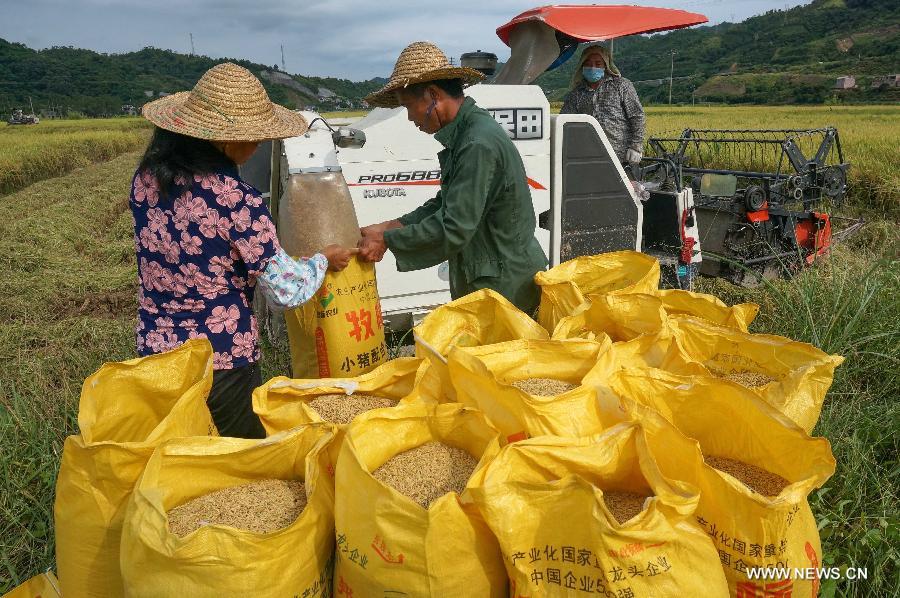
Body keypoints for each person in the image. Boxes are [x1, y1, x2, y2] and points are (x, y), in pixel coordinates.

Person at [133, 62, 355, 438]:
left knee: (178, 448)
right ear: (223, 140)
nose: (258, 147)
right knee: (238, 458)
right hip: (221, 357)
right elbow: (286, 289)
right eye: (253, 137)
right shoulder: (236, 200)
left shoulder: (147, 182)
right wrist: (323, 260)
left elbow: (202, 255)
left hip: (158, 353)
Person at [357, 42, 548, 315]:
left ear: (433, 95)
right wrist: (389, 226)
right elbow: (446, 201)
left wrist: (389, 240)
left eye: (409, 106)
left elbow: (454, 226)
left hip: (506, 287)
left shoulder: (477, 143)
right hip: (491, 277)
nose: (410, 118)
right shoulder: (467, 133)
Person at [561, 43, 645, 166]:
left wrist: (636, 146)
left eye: (598, 64)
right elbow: (564, 121)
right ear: (582, 65)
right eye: (588, 64)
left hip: (621, 156)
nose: (592, 67)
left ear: (606, 66)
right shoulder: (576, 94)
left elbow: (637, 116)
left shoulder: (621, 86)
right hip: (589, 157)